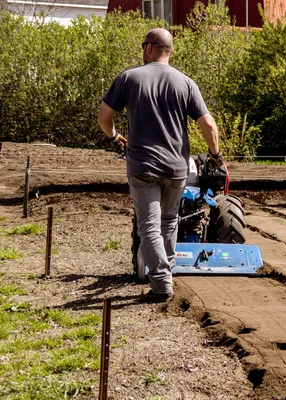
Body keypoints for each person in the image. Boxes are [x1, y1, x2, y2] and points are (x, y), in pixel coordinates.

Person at [98, 28, 224, 303]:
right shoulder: (186, 83)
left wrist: (116, 137)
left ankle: (162, 282)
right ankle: (164, 278)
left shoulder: (129, 78)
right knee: (169, 222)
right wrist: (216, 156)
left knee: (148, 226)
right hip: (176, 168)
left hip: (143, 166)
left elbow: (104, 118)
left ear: (148, 48)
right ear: (172, 52)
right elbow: (208, 125)